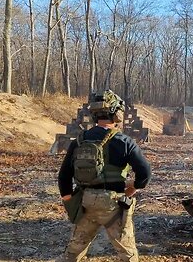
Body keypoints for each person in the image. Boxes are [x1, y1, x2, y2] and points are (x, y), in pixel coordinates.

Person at [57, 90, 151, 262]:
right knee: (127, 254)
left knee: (73, 253)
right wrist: (132, 189)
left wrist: (70, 201)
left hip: (86, 203)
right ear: (116, 113)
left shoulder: (80, 140)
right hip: (113, 204)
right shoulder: (124, 141)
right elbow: (145, 173)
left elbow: (64, 176)